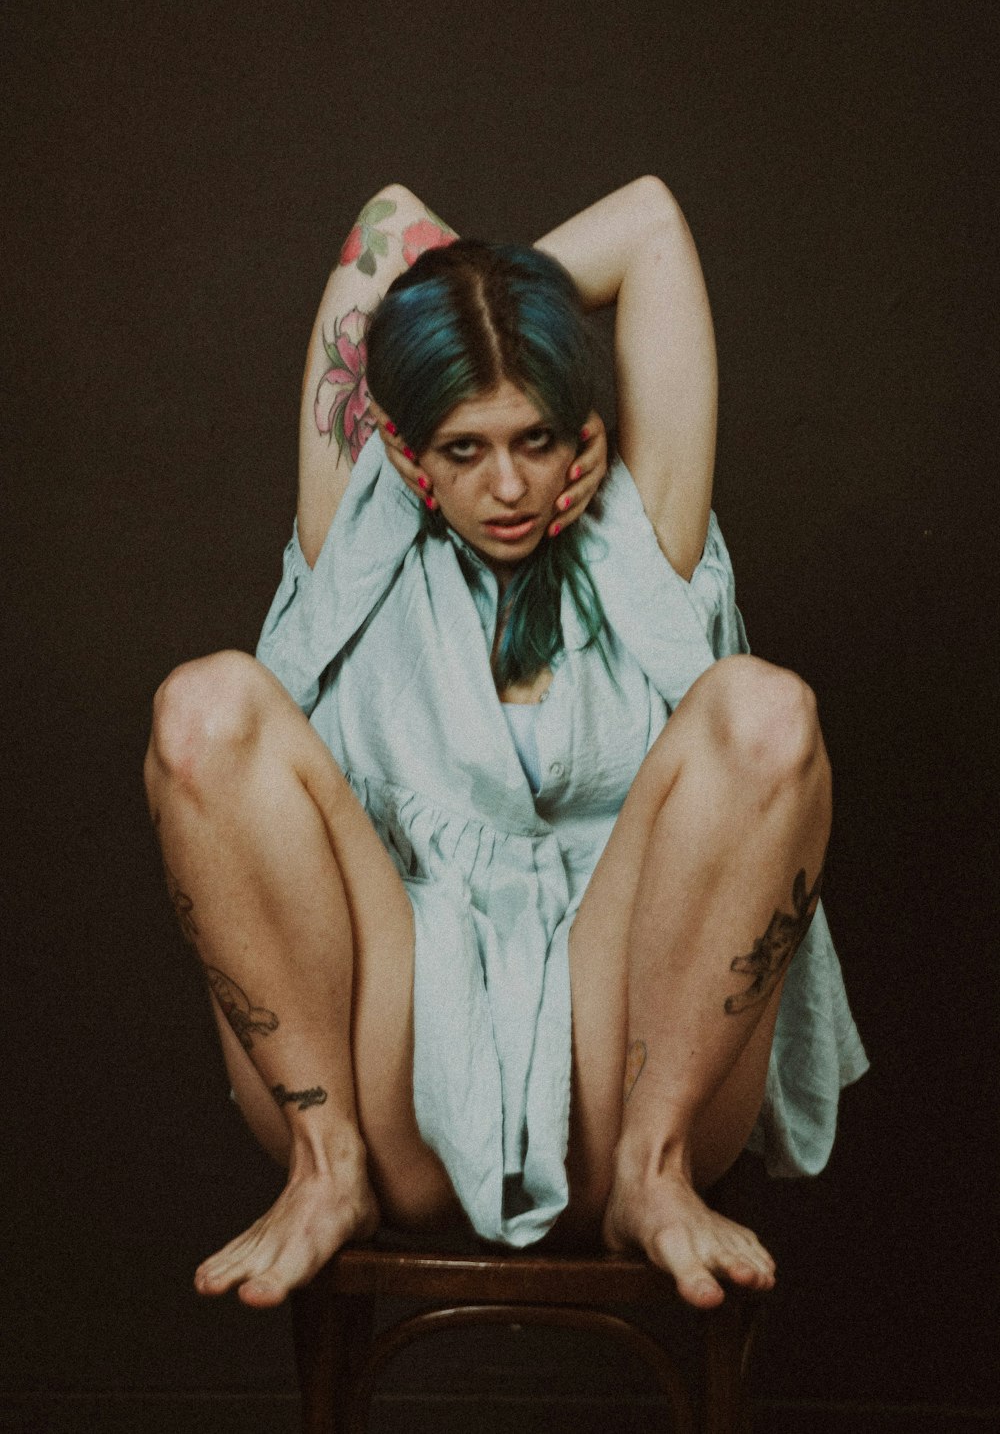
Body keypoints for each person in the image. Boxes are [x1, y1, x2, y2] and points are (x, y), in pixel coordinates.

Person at [144, 178, 867, 1314]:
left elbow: (651, 225)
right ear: (399, 444)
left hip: (624, 1072)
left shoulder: (644, 539)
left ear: (581, 426)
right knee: (204, 708)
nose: (510, 485)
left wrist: (499, 318)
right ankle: (324, 1179)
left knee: (764, 710)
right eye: (465, 447)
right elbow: (388, 221)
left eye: (536, 437)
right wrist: (459, 323)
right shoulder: (356, 537)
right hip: (388, 1088)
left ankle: (654, 1177)